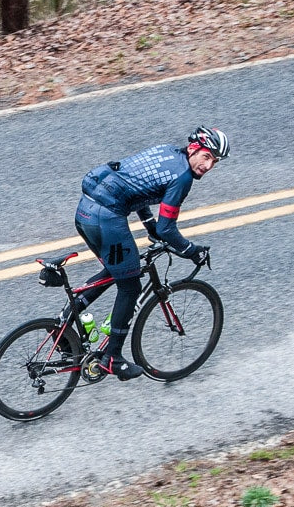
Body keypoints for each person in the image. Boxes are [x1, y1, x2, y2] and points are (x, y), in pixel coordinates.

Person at [69, 126, 229, 380]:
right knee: (130, 285)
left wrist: (149, 226)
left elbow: (137, 189)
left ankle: (66, 320)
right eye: (207, 157)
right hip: (107, 218)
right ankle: (113, 358)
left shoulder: (165, 152)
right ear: (193, 149)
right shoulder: (183, 178)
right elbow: (167, 229)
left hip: (85, 212)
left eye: (215, 162)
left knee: (116, 269)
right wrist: (191, 251)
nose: (208, 166)